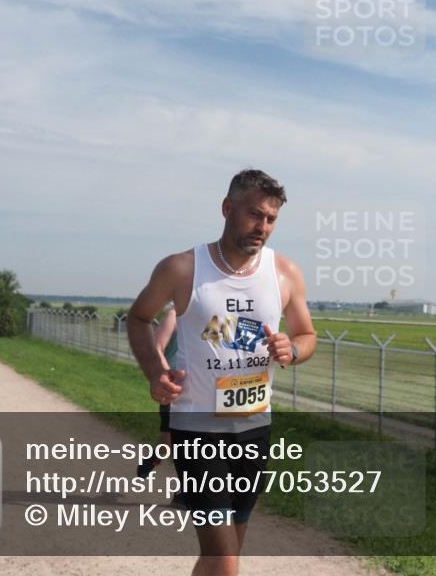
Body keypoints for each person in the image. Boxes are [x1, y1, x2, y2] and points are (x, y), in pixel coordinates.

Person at [127, 169, 316, 576]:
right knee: (224, 560)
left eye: (270, 219)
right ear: (227, 209)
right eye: (254, 215)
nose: (262, 227)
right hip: (197, 431)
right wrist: (155, 371)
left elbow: (306, 334)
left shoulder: (284, 273)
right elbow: (140, 317)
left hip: (254, 430)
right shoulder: (181, 269)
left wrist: (293, 348)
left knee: (225, 554)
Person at [136, 307, 178, 480]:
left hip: (203, 389)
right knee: (169, 441)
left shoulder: (213, 313)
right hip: (174, 387)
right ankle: (154, 458)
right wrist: (165, 373)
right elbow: (157, 346)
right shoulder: (174, 314)